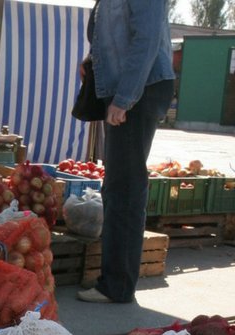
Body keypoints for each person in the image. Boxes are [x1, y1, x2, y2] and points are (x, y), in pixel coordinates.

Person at [76, 0, 175, 303]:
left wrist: (125, 97)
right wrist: (94, 58)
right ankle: (117, 281)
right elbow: (113, 30)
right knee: (120, 185)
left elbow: (146, 39)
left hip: (138, 90)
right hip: (128, 88)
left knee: (124, 188)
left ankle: (117, 285)